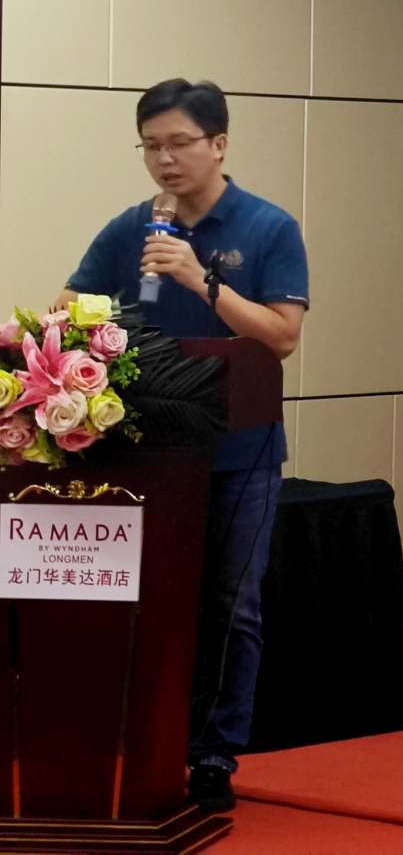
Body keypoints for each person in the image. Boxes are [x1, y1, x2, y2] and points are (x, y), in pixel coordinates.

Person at [54, 79, 308, 815]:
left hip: (239, 451)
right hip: (145, 453)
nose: (164, 160)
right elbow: (67, 312)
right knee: (146, 603)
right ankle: (141, 745)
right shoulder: (131, 228)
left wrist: (202, 282)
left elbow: (283, 337)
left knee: (232, 607)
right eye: (151, 146)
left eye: (179, 144)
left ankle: (213, 754)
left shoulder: (268, 226)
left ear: (218, 144)